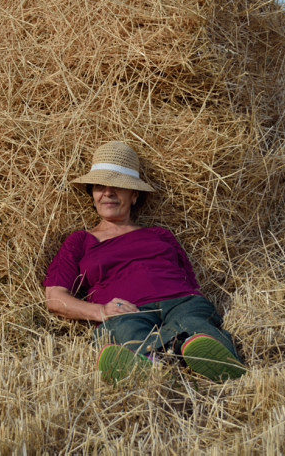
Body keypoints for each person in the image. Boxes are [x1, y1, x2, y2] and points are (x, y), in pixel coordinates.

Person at [44, 141, 246, 383]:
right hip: (127, 310)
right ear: (93, 194)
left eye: (118, 186)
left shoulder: (160, 235)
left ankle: (212, 358)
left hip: (180, 301)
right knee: (124, 330)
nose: (108, 192)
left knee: (195, 323)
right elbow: (55, 297)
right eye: (100, 186)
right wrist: (101, 311)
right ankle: (149, 363)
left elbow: (190, 283)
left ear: (134, 196)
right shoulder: (81, 241)